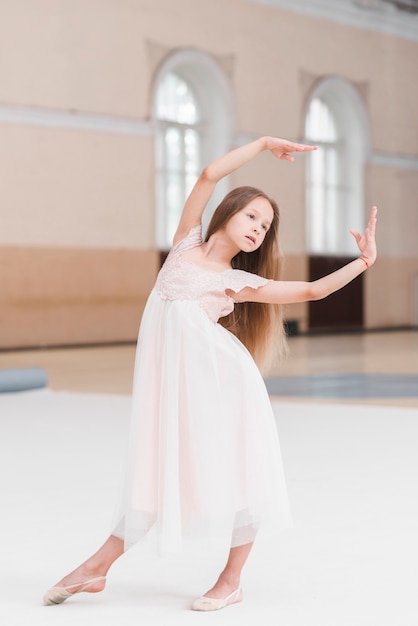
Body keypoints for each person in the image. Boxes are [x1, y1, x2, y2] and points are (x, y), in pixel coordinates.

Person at [42, 136, 377, 611]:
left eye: (266, 227)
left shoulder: (236, 282)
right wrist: (262, 144)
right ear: (228, 213)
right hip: (174, 391)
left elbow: (310, 292)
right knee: (154, 469)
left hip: (223, 387)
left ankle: (231, 579)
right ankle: (97, 568)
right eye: (252, 217)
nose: (259, 230)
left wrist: (363, 261)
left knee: (242, 471)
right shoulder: (184, 245)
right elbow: (209, 175)